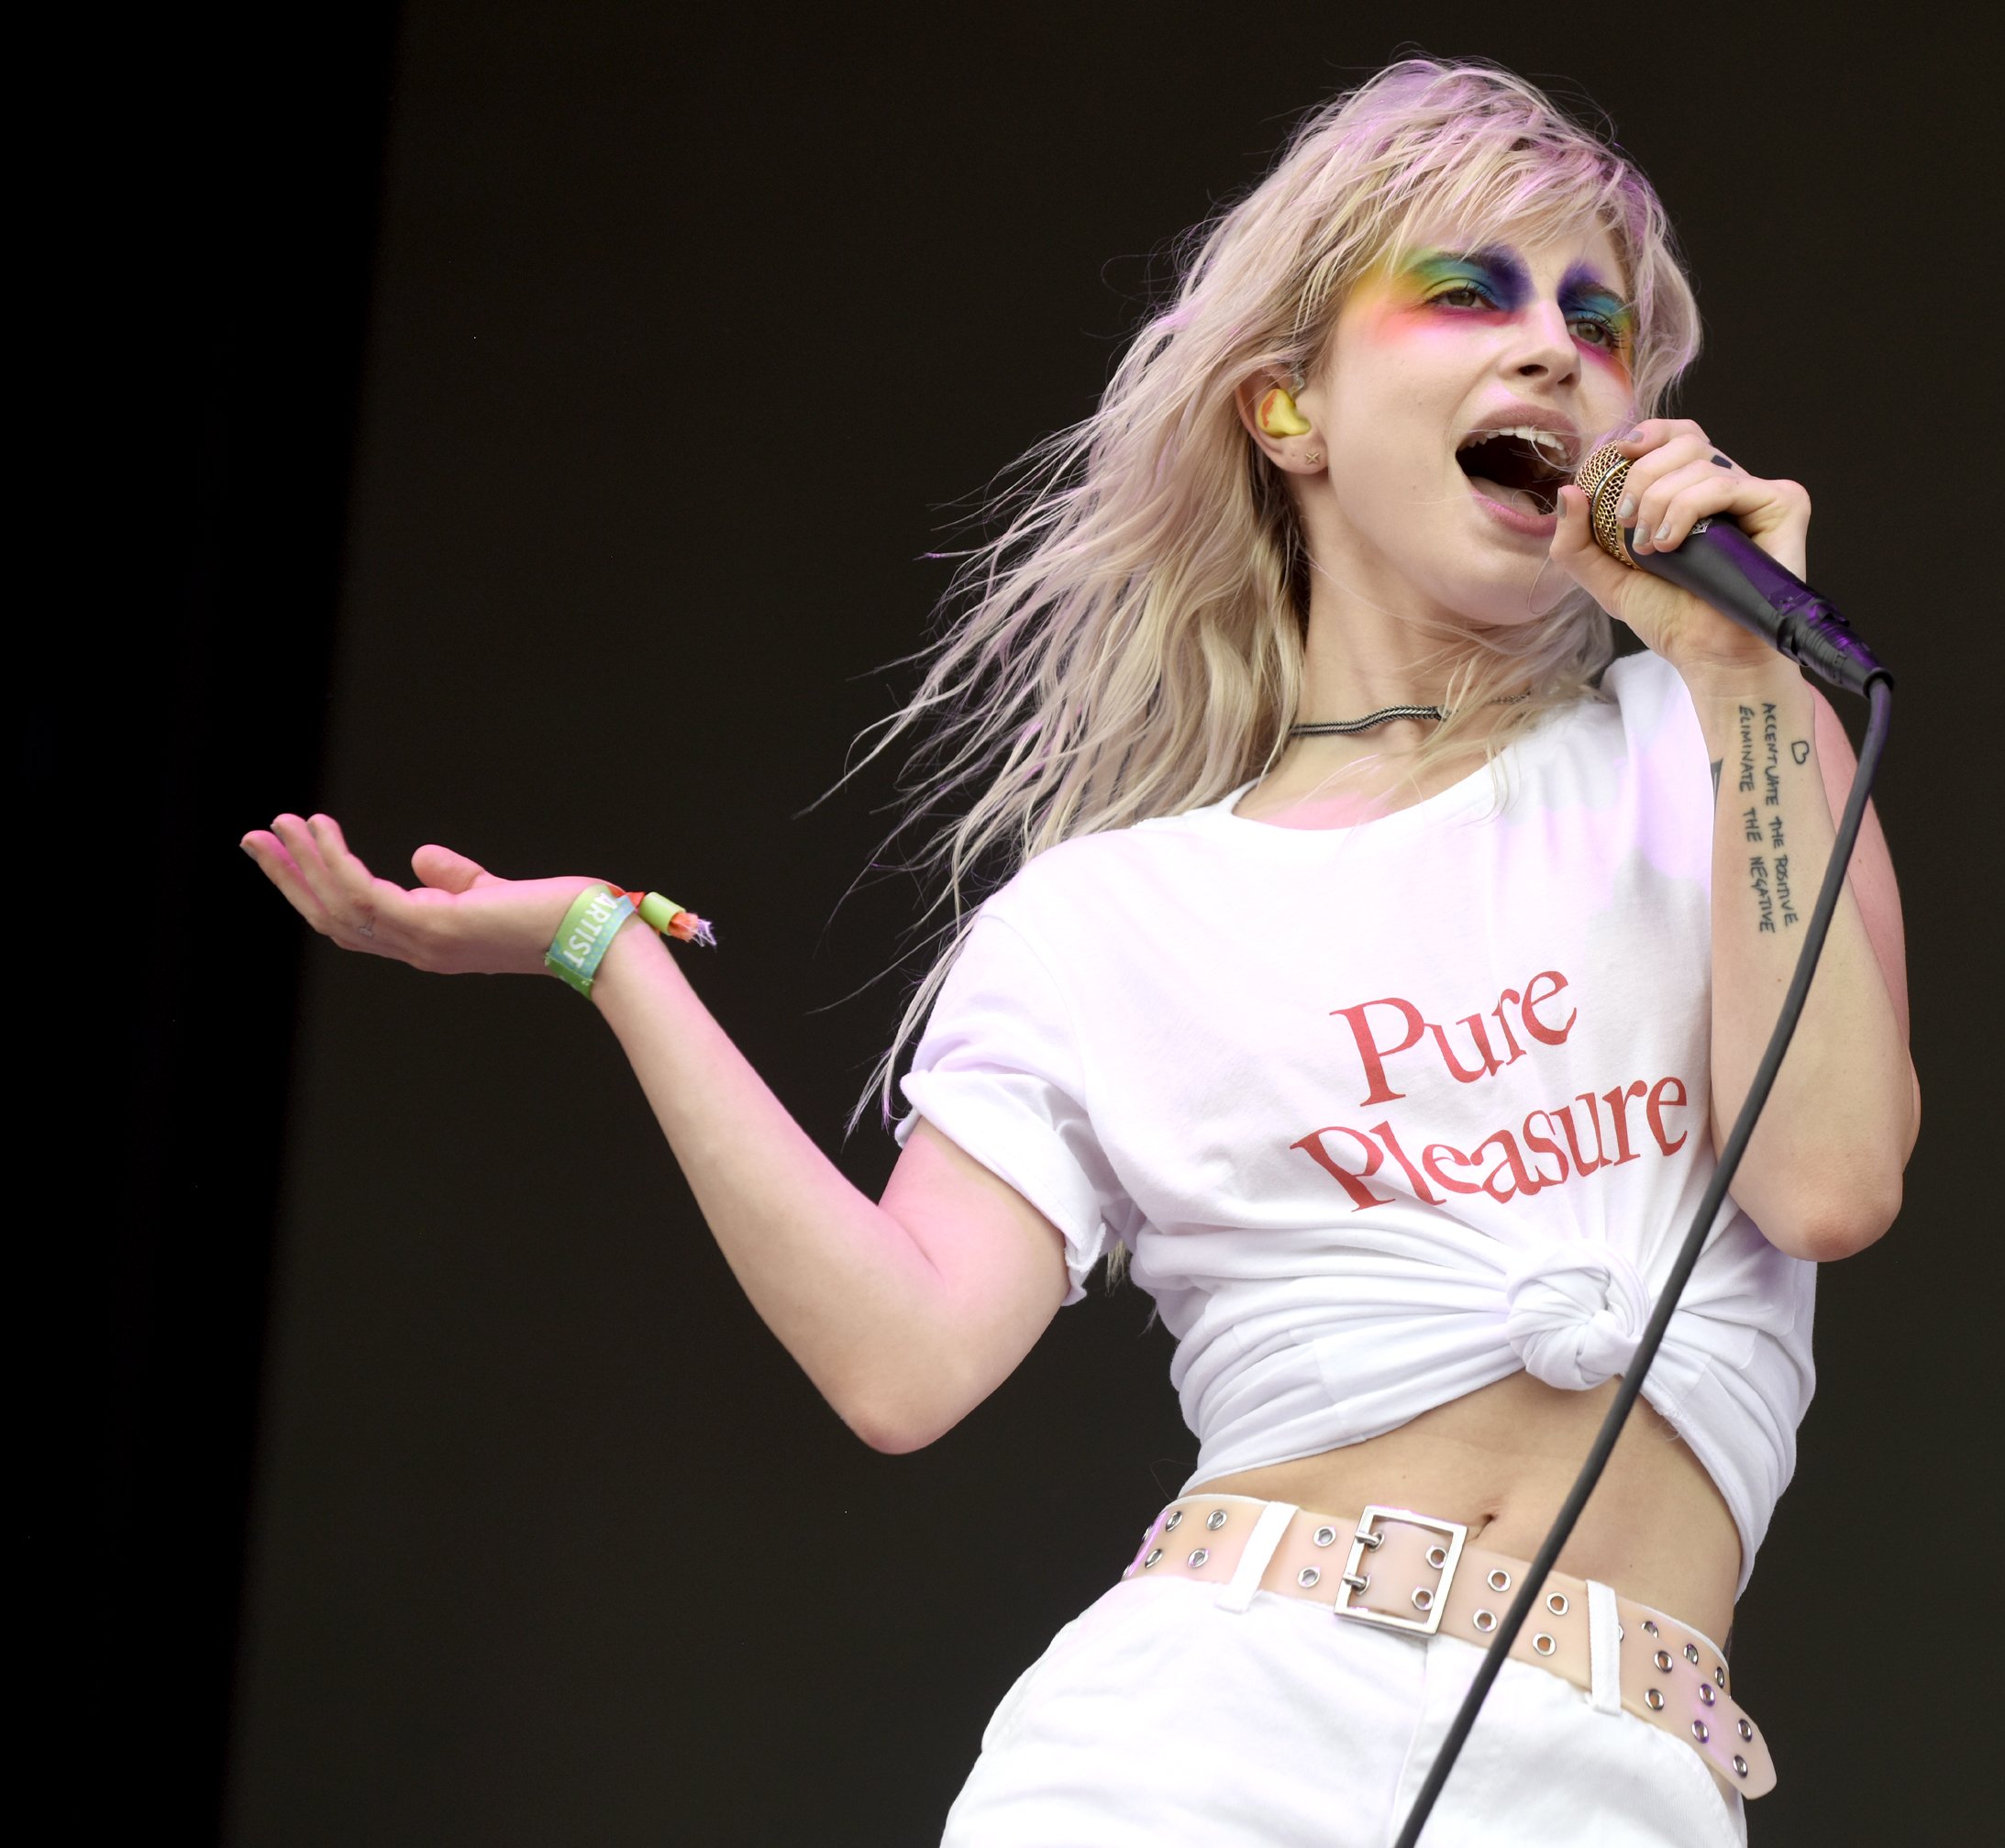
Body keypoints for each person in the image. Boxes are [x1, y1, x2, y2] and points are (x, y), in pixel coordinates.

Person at [242, 59, 1917, 1847]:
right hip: (1193, 1746)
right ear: (1288, 407)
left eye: (1596, 325)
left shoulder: (1723, 750)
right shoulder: (1112, 919)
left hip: (1617, 1775)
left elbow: (1824, 1183)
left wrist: (1744, 679)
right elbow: (903, 1362)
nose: (1551, 352)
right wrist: (606, 955)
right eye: (1466, 290)